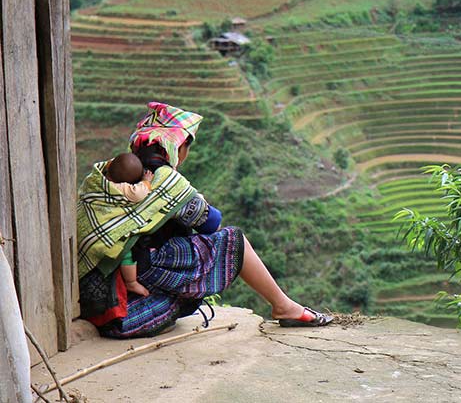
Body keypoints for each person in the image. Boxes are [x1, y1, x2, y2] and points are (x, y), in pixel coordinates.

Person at [77, 101, 332, 338]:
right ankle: (284, 307)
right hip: (128, 299)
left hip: (97, 296)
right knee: (234, 241)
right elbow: (211, 221)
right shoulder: (164, 179)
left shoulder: (110, 173)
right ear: (178, 147)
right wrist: (191, 196)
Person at [103, 152, 154, 297]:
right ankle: (131, 282)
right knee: (126, 248)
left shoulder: (97, 179)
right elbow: (139, 193)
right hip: (109, 230)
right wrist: (146, 181)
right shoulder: (123, 189)